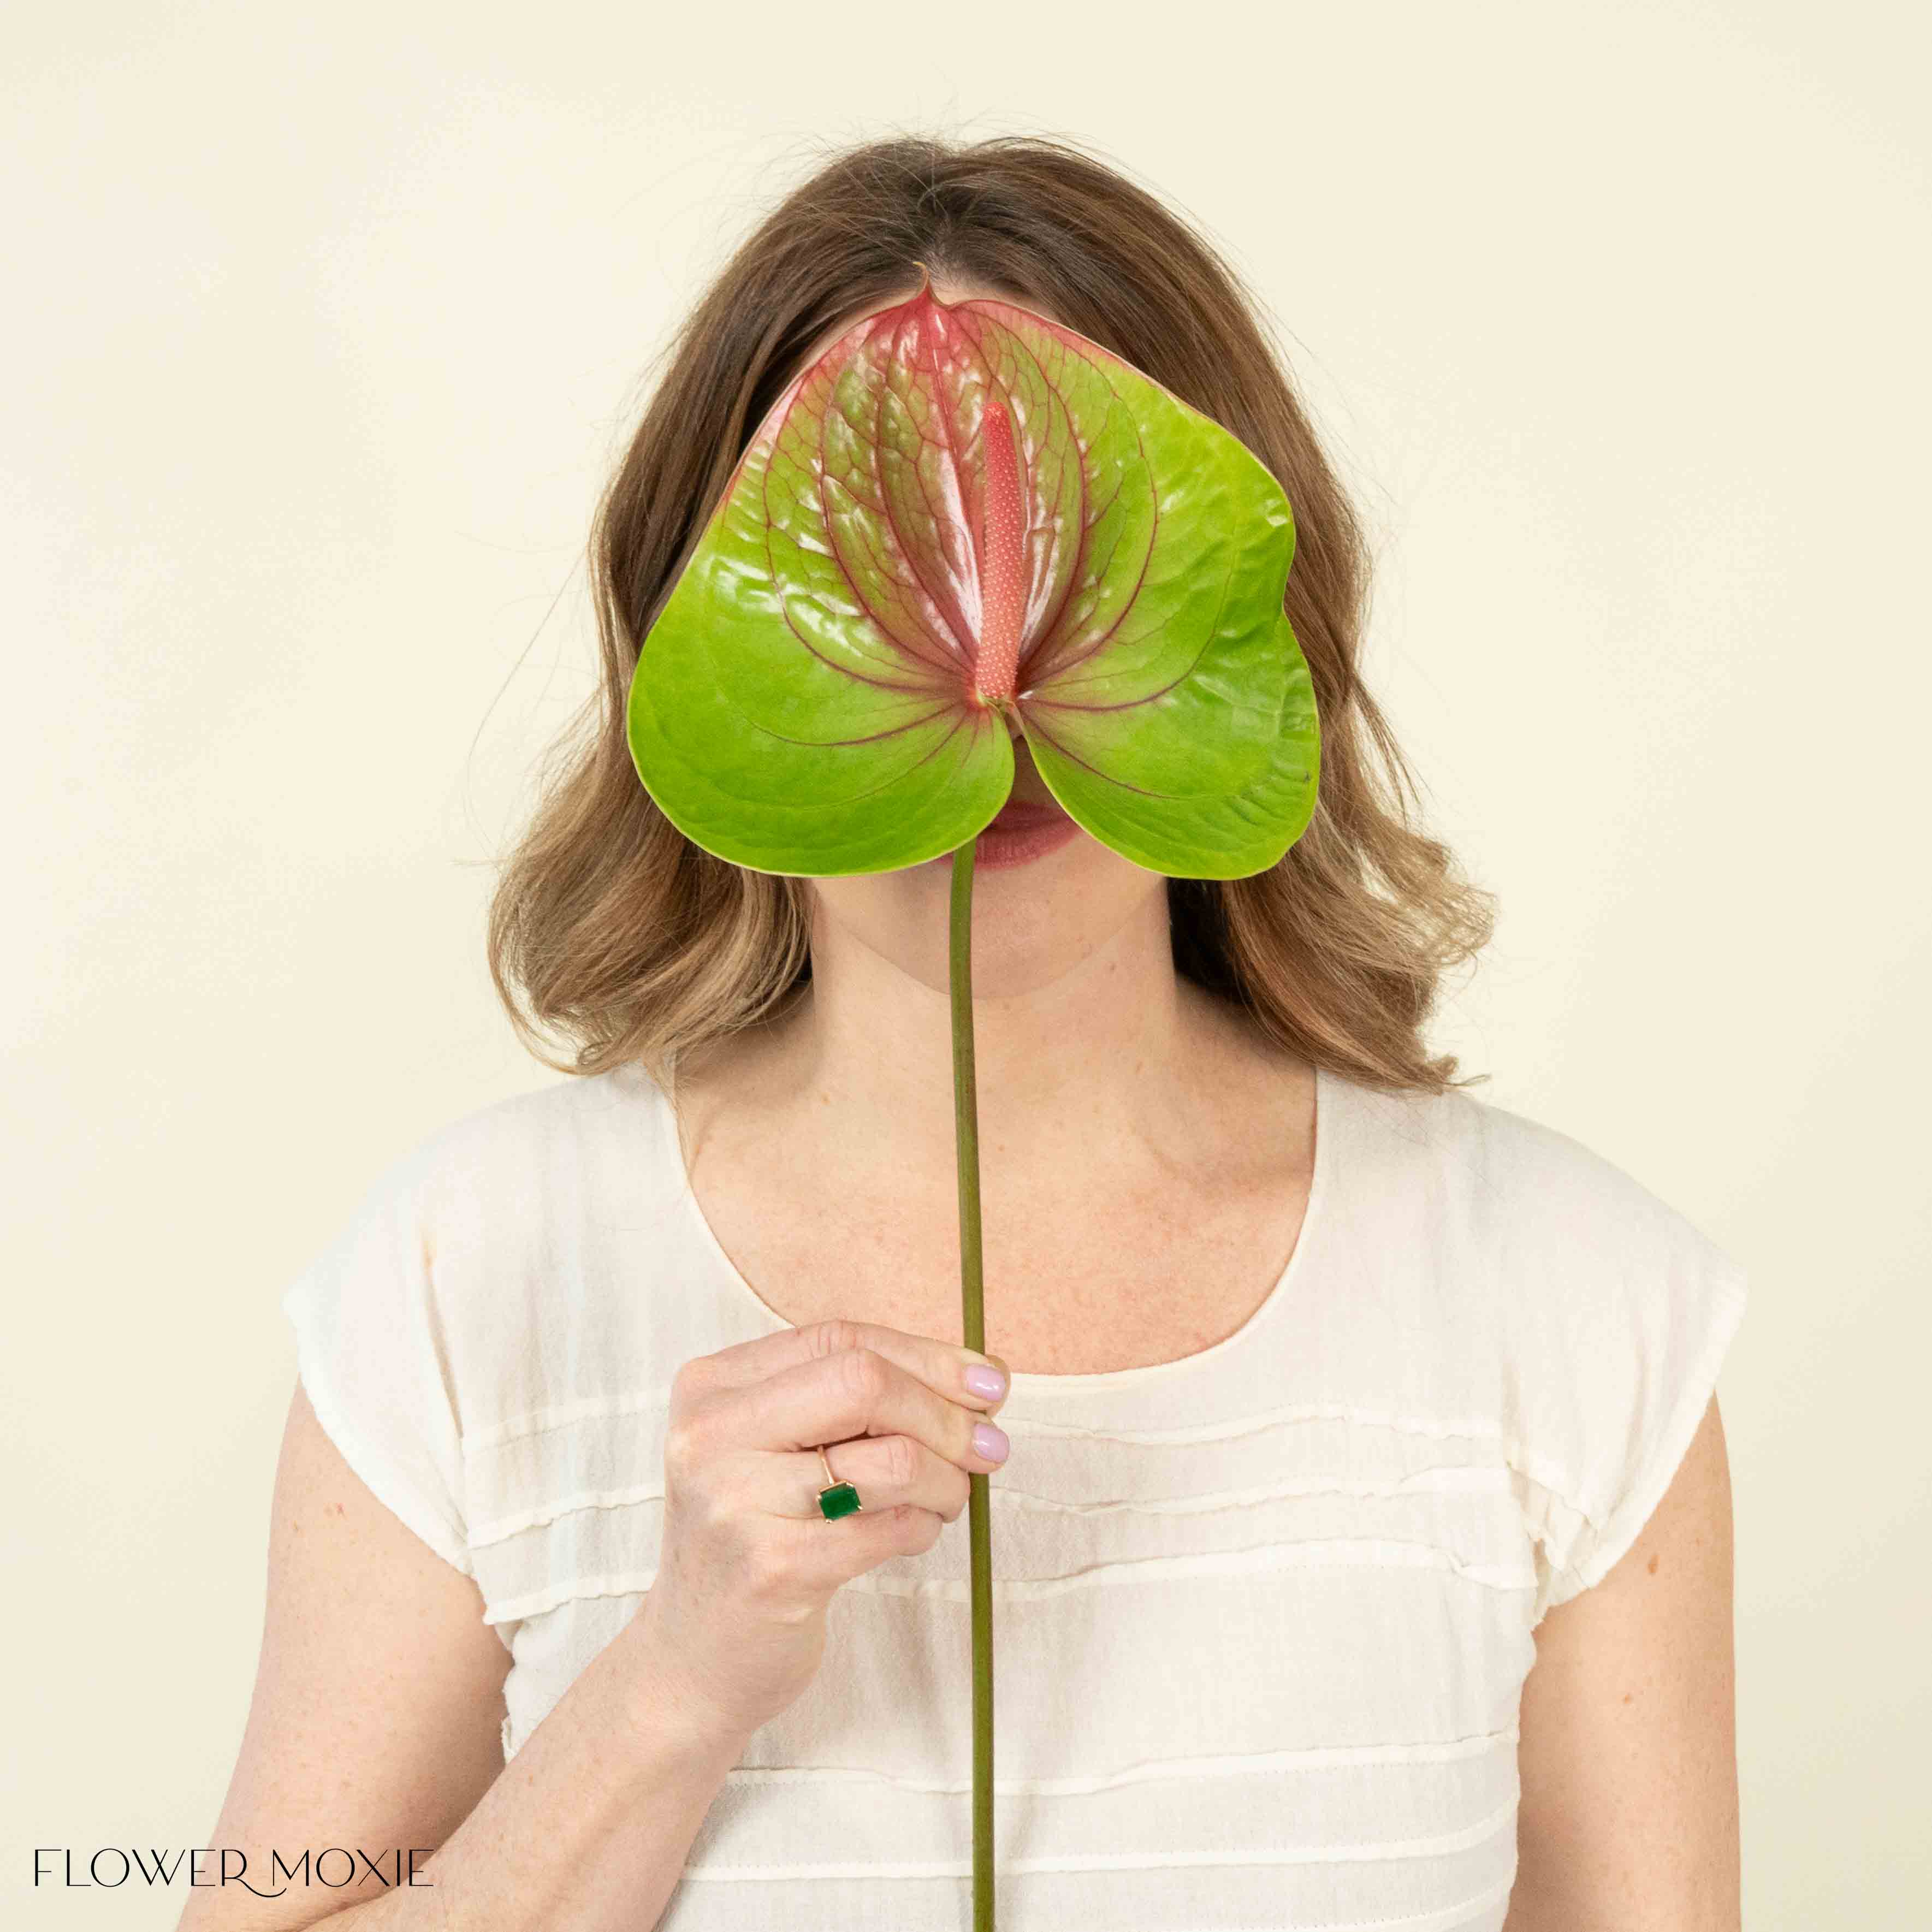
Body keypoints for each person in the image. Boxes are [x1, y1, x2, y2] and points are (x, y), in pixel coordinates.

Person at [185, 135, 1746, 1932]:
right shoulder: (467, 1281)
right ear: (702, 643)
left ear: (1252, 622)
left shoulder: (1570, 1298)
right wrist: (672, 1684)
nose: (981, 640)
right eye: (871, 558)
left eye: (1062, 544)